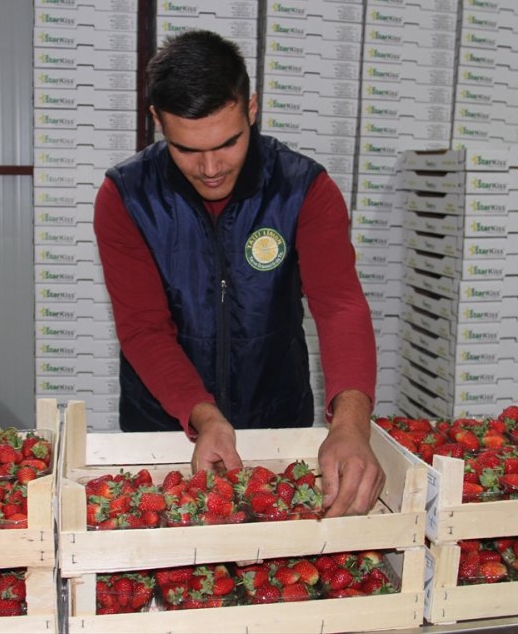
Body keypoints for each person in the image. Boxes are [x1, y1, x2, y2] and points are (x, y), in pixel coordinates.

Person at [93, 29, 383, 517]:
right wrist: (203, 416)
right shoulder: (125, 198)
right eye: (186, 148)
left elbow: (339, 306)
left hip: (277, 418)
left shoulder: (304, 190)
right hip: (166, 425)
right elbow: (143, 328)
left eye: (227, 143)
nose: (209, 167)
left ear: (252, 109)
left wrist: (351, 424)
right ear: (157, 122)